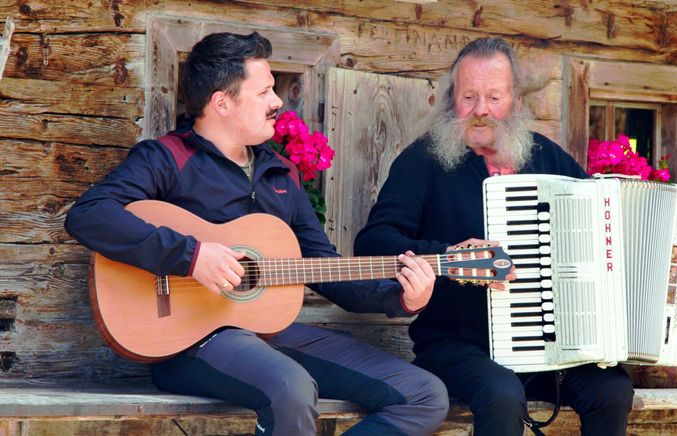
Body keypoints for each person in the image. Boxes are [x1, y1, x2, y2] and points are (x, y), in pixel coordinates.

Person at [65, 31, 450, 436]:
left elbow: (324, 267)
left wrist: (401, 297)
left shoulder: (281, 174)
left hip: (269, 334)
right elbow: (90, 214)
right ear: (222, 102)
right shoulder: (166, 158)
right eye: (265, 90)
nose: (278, 101)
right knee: (291, 387)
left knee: (423, 393)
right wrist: (192, 257)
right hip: (189, 343)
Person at [353, 37, 677, 436]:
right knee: (502, 395)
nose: (480, 111)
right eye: (468, 96)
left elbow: (606, 235)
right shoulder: (423, 160)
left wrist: (675, 264)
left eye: (494, 97)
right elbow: (373, 243)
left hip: (552, 346)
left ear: (517, 102)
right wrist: (448, 255)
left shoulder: (547, 157)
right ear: (450, 100)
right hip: (456, 344)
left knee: (612, 391)